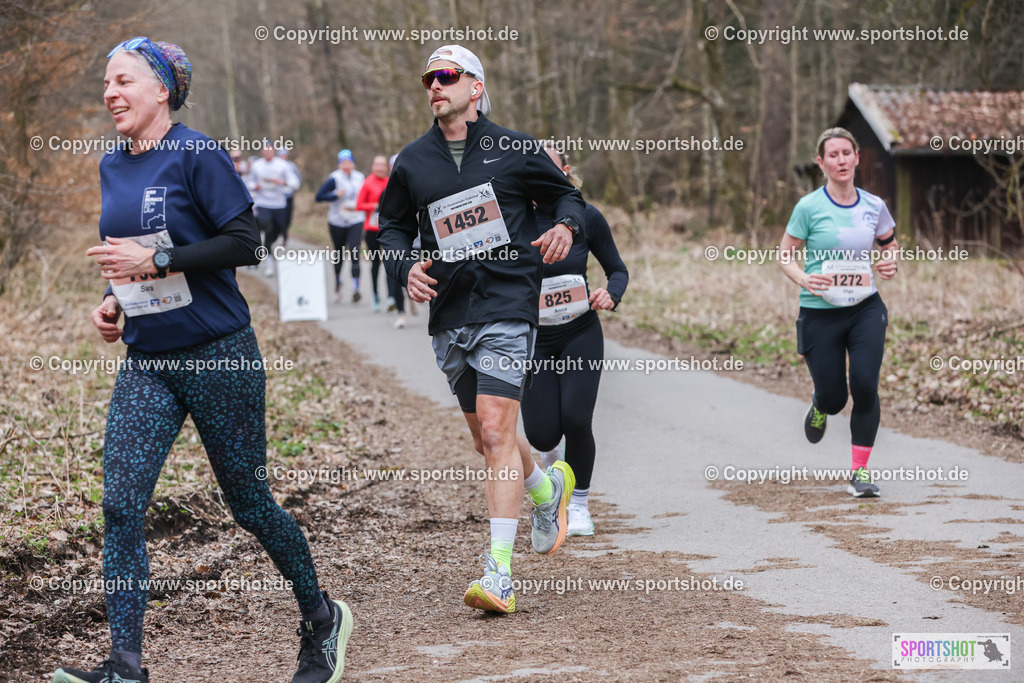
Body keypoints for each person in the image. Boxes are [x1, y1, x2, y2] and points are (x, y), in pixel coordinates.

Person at [53, 37, 350, 683]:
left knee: (248, 503)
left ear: (161, 89)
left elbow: (243, 242)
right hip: (148, 360)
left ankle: (321, 616)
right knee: (122, 506)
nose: (111, 93)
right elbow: (127, 256)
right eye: (107, 82)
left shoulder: (197, 152)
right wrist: (112, 301)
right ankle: (126, 665)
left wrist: (156, 261)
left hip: (220, 354)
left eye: (124, 80)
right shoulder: (111, 166)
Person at [378, 45, 587, 614]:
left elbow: (568, 192)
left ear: (475, 86)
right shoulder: (413, 161)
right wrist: (404, 266)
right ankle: (546, 488)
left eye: (445, 76)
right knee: (486, 439)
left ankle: (499, 574)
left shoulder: (515, 149)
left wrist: (567, 223)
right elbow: (391, 228)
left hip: (507, 304)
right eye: (427, 78)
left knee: (496, 435)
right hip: (449, 314)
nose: (433, 86)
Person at [778, 127, 899, 498]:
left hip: (865, 308)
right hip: (819, 312)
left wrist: (890, 262)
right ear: (821, 162)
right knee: (834, 398)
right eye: (833, 155)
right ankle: (818, 405)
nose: (841, 160)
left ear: (857, 157)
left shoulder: (874, 206)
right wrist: (803, 278)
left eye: (847, 153)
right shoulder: (808, 207)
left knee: (864, 384)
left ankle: (859, 473)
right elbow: (785, 254)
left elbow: (889, 243)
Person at [518, 145, 629, 536]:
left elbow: (617, 270)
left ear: (565, 171)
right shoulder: (515, 219)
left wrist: (610, 294)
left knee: (578, 419)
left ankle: (579, 504)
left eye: (548, 166)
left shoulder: (586, 216)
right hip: (534, 339)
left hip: (580, 331)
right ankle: (554, 472)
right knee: (542, 435)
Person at [315, 150, 365, 303]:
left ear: (353, 163)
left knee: (355, 252)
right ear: (339, 164)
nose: (346, 165)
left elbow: (367, 195)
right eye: (343, 163)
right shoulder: (334, 178)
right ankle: (337, 283)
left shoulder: (360, 177)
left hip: (356, 219)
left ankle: (356, 287)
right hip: (337, 221)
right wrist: (335, 195)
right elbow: (319, 197)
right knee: (339, 253)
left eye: (349, 162)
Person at [247, 139, 299, 276]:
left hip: (279, 203)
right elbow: (249, 182)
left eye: (270, 149)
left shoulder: (283, 165)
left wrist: (284, 182)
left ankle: (269, 244)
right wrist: (255, 186)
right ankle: (268, 262)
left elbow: (295, 183)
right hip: (263, 202)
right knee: (267, 227)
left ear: (274, 151)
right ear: (262, 151)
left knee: (279, 229)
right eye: (265, 149)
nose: (268, 152)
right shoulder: (257, 166)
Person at [355, 155, 390, 315]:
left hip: (389, 229)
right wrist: (373, 205)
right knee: (375, 263)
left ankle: (392, 297)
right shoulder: (368, 182)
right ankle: (375, 295)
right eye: (377, 165)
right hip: (371, 229)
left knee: (391, 262)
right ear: (372, 167)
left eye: (382, 165)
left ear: (387, 168)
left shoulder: (390, 181)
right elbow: (359, 205)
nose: (380, 168)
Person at [278, 148, 301, 245]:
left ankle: (284, 233)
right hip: (278, 197)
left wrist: (292, 186)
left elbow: (298, 179)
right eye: (282, 155)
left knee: (288, 217)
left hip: (289, 196)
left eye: (285, 155)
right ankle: (280, 232)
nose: (284, 156)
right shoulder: (275, 165)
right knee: (280, 217)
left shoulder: (292, 166)